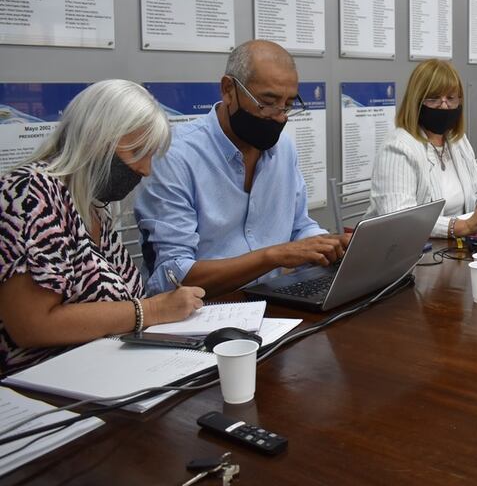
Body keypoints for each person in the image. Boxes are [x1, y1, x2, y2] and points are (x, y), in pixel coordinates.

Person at [0, 81, 204, 376]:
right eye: (137, 152)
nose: (146, 170)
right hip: (40, 385)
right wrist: (153, 310)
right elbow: (32, 325)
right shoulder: (31, 193)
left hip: (102, 372)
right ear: (95, 138)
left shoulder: (93, 208)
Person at [135, 40, 349, 297]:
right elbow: (172, 277)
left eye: (289, 104)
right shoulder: (174, 157)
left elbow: (299, 226)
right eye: (267, 102)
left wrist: (328, 244)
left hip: (273, 300)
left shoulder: (283, 149)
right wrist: (272, 257)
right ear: (228, 90)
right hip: (202, 313)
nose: (280, 116)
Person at [364, 59, 477, 238]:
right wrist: (459, 226)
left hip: (454, 247)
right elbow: (400, 218)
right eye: (433, 99)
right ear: (416, 101)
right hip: (410, 253)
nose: (444, 105)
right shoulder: (398, 147)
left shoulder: (456, 140)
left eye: (450, 98)